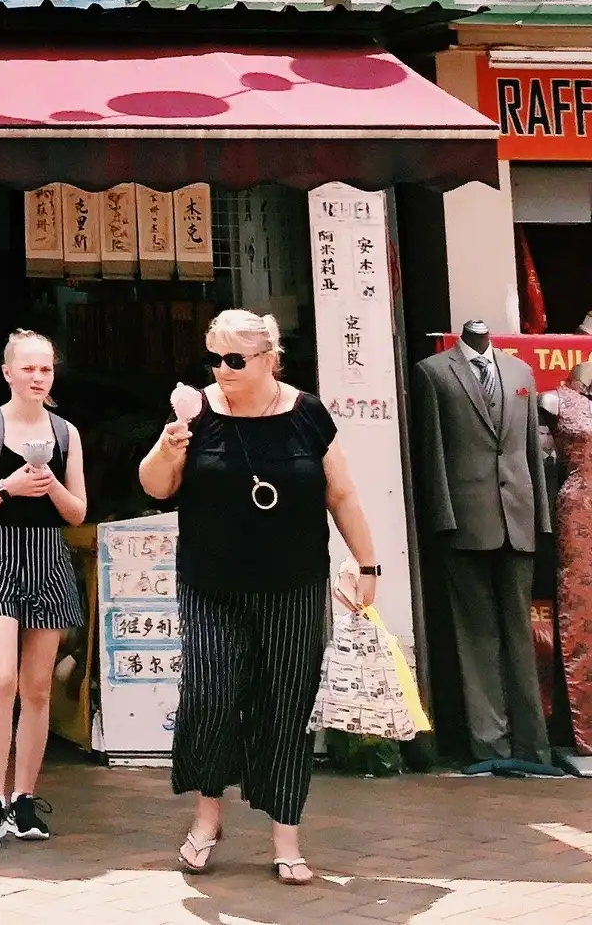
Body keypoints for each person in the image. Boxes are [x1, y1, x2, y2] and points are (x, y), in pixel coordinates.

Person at [138, 308, 380, 887]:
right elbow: (154, 486)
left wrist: (367, 562)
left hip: (293, 585)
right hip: (211, 584)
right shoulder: (195, 411)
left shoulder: (306, 413)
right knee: (210, 696)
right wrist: (172, 445)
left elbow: (340, 492)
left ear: (271, 358)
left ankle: (286, 835)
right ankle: (207, 816)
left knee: (286, 704)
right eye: (215, 358)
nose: (222, 370)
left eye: (236, 359)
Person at [0, 329, 87, 851]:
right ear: (7, 372)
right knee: (2, 677)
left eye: (45, 369)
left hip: (49, 556)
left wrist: (49, 485)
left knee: (38, 687)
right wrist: (7, 487)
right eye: (27, 368)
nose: (37, 377)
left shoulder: (67, 434)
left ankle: (23, 799)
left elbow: (78, 512)